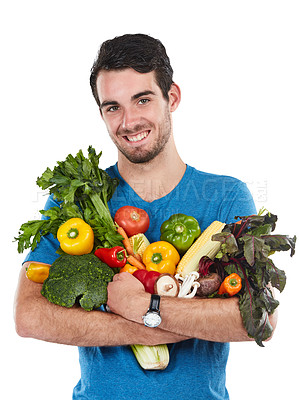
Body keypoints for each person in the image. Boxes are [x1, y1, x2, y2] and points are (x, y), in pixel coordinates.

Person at [14, 34, 277, 399]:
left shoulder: (226, 196)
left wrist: (146, 306)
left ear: (172, 97)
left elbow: (261, 320)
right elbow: (29, 315)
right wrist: (146, 322)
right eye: (112, 107)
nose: (128, 121)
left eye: (142, 100)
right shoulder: (78, 197)